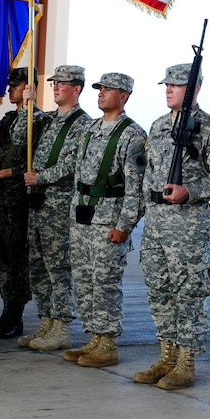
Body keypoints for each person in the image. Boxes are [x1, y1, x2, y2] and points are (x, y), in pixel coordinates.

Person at [133, 63, 210, 390]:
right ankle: (166, 356)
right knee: (160, 293)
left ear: (194, 88)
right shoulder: (160, 125)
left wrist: (190, 192)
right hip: (156, 226)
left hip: (190, 228)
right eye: (166, 84)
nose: (168, 89)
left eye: (177, 85)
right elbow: (147, 178)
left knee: (189, 295)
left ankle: (185, 362)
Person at [64, 73, 147, 367]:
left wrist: (124, 227)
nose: (100, 94)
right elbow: (78, 177)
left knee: (105, 283)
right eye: (99, 89)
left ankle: (108, 342)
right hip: (83, 218)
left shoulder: (132, 135)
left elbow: (136, 188)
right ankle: (94, 338)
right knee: (83, 281)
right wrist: (73, 217)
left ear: (123, 96)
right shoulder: (90, 129)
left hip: (109, 222)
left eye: (108, 90)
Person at [12, 65, 91, 351]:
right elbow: (21, 139)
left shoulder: (84, 124)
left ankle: (61, 326)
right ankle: (45, 321)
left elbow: (75, 165)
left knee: (59, 268)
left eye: (62, 83)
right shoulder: (46, 120)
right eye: (54, 82)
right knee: (38, 266)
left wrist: (41, 177)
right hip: (38, 204)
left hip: (59, 205)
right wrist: (27, 106)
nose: (56, 87)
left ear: (77, 88)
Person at [0, 68, 35, 338]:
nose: (9, 90)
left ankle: (17, 316)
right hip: (2, 198)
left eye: (15, 86)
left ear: (27, 87)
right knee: (3, 259)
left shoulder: (36, 119)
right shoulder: (10, 117)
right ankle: (6, 312)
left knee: (17, 259)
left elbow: (32, 156)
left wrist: (6, 173)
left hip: (20, 200)